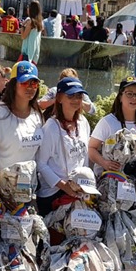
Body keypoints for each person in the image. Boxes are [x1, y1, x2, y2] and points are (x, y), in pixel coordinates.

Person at [37, 76, 92, 215]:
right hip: (54, 193)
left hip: (78, 190)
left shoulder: (83, 122)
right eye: (71, 96)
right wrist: (64, 186)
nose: (76, 100)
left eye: (79, 96)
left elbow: (84, 156)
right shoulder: (51, 127)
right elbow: (41, 163)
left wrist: (84, 184)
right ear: (60, 98)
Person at [0, 61, 44, 205]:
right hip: (3, 194)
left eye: (34, 83)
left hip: (28, 192)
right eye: (24, 83)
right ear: (13, 84)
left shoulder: (37, 116)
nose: (30, 88)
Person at [89, 77, 136, 176]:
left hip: (134, 184)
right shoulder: (107, 122)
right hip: (109, 182)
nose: (134, 98)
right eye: (129, 94)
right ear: (120, 96)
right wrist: (104, 163)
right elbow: (91, 148)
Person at [20, 0, 43, 64]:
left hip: (27, 53)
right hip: (34, 53)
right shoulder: (40, 22)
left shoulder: (30, 21)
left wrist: (21, 27)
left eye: (28, 7)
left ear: (31, 9)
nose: (27, 9)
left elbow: (23, 36)